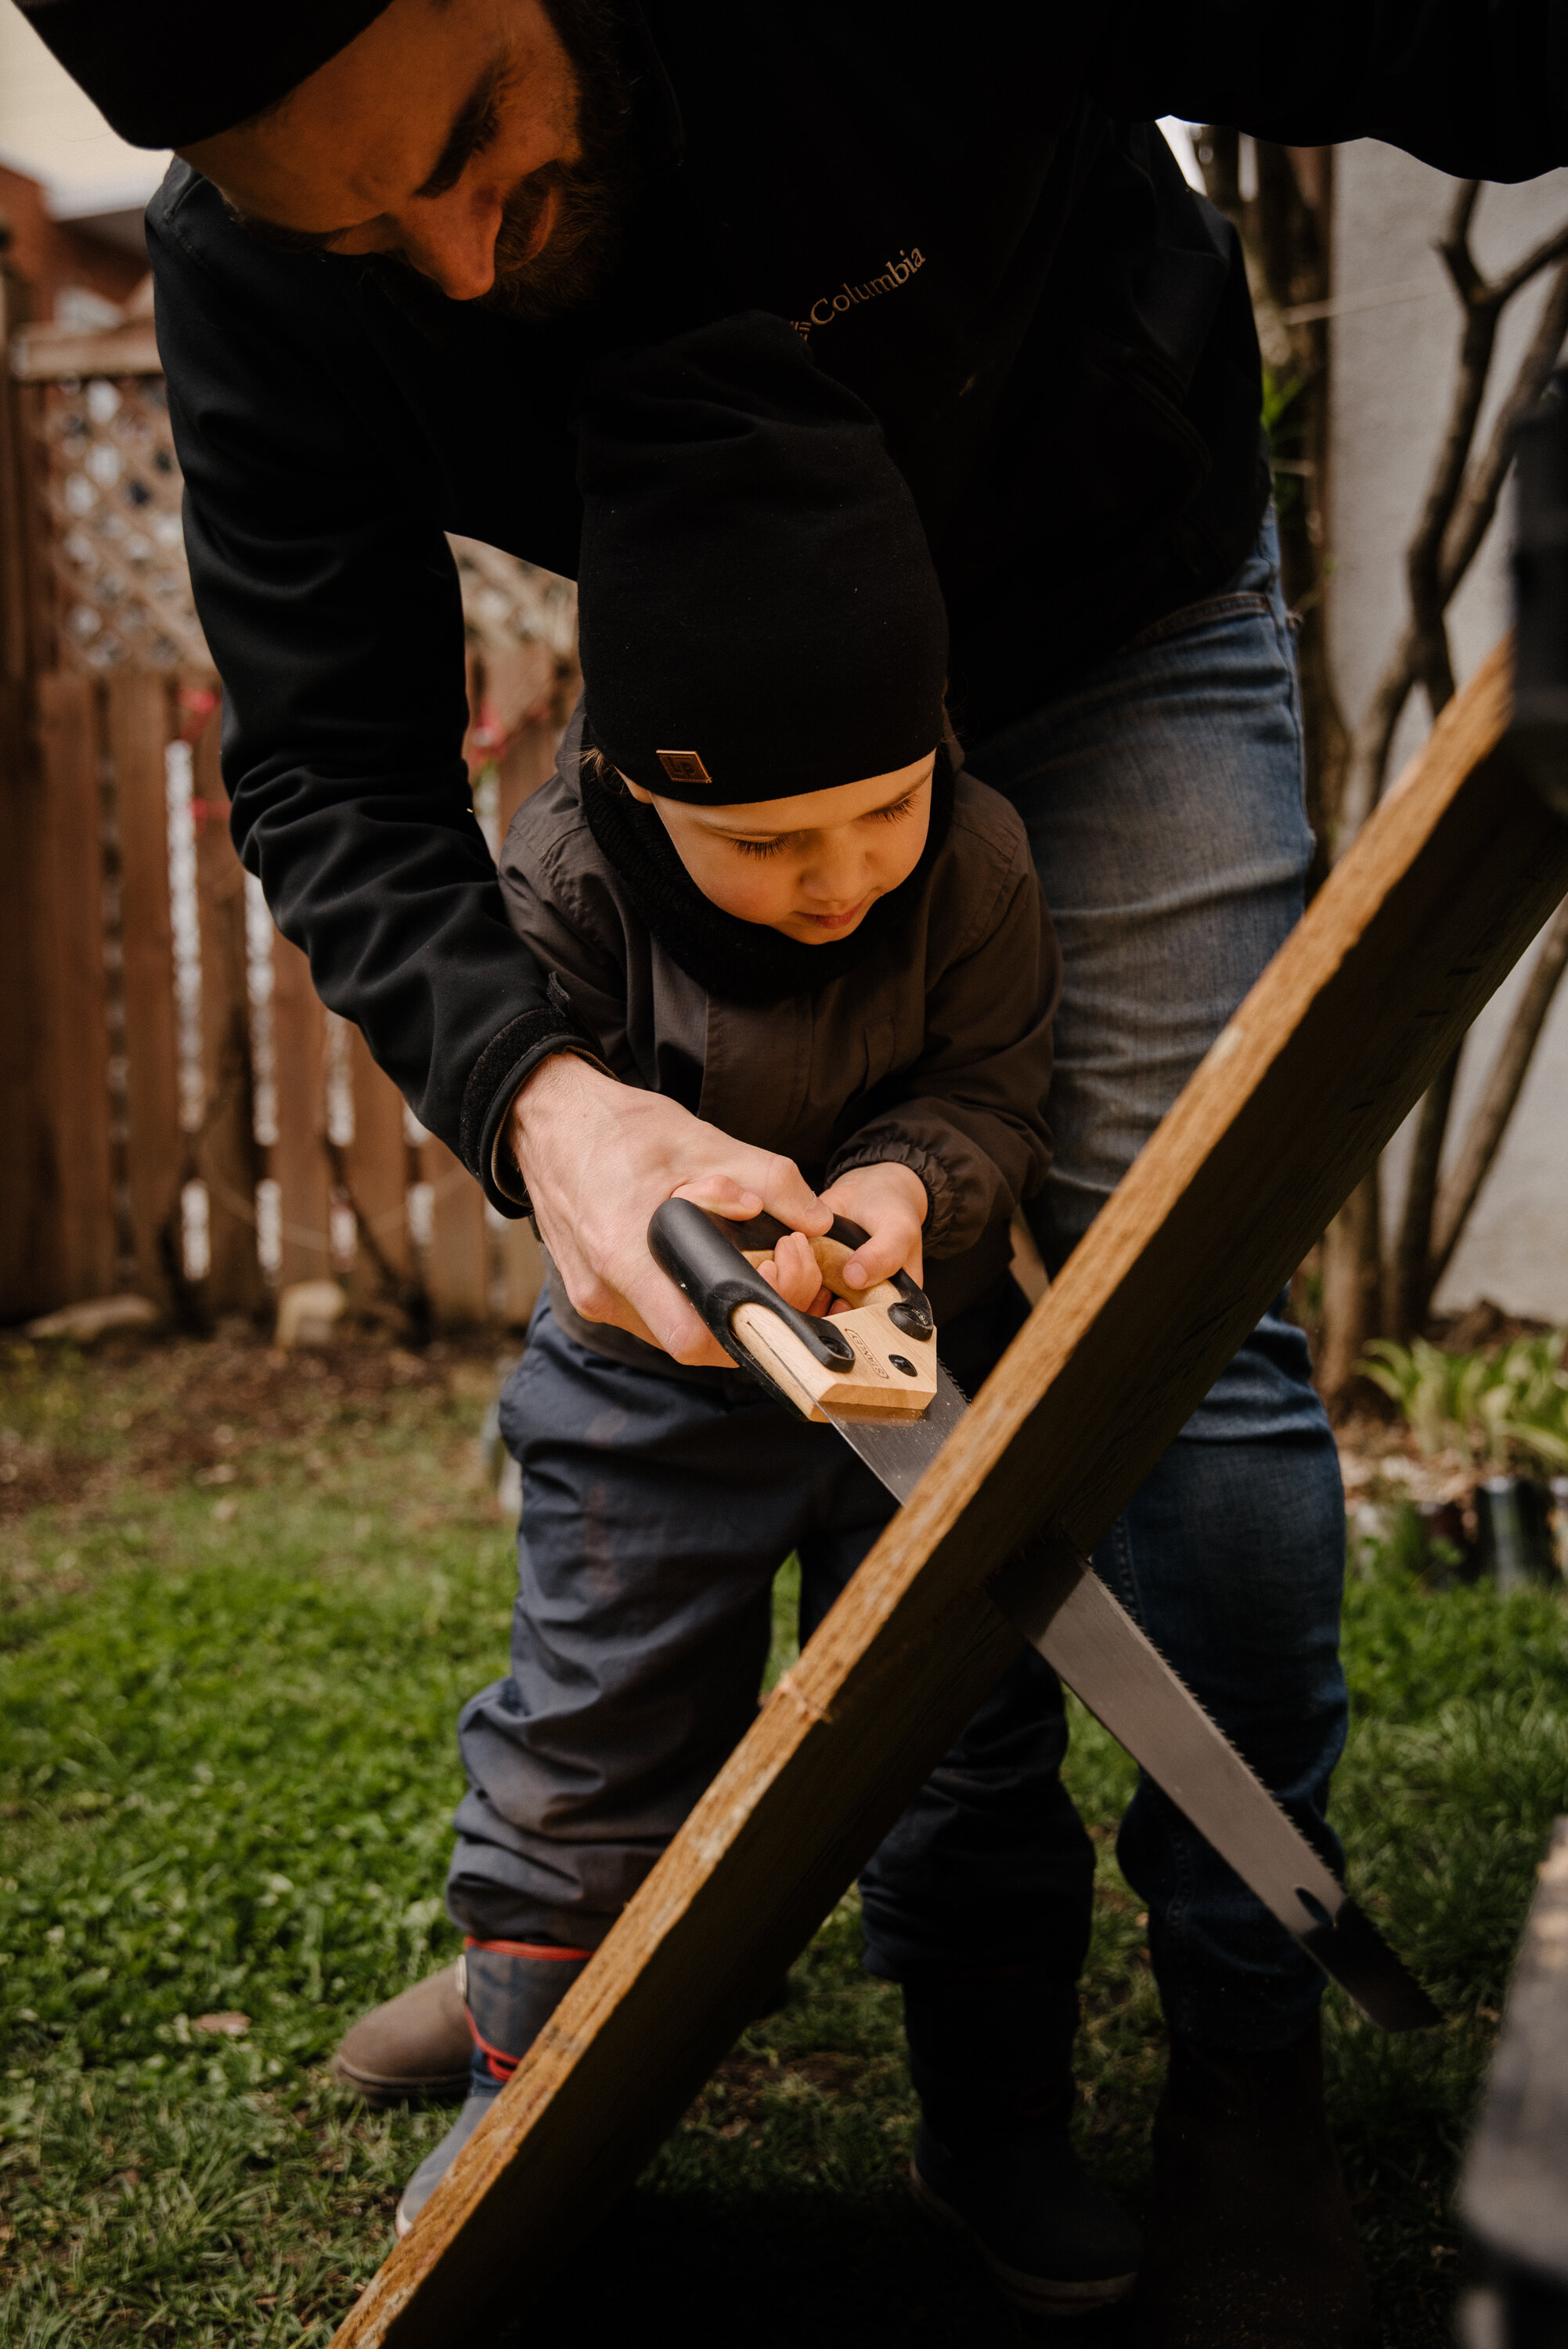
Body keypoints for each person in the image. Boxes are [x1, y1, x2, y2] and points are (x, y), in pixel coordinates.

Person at [17, 0, 1567, 2336]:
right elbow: (328, 769)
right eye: (353, 224)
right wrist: (552, 1099)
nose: (447, 264)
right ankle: (575, 1944)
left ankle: (1244, 2067)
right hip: (702, 772)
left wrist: (941, 1168)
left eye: (470, 151)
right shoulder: (266, 281)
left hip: (1102, 613)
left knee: (1180, 1346)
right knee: (667, 1516)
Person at [391, 312, 1145, 2319]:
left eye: (877, 814)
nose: (837, 878)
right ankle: (520, 2086)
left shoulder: (975, 860)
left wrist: (911, 1190)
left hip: (906, 1377)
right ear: (643, 784)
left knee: (973, 1744)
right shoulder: (558, 874)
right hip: (646, 1401)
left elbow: (990, 1096)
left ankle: (994, 2126)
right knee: (596, 1743)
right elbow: (513, 1118)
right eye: (765, 841)